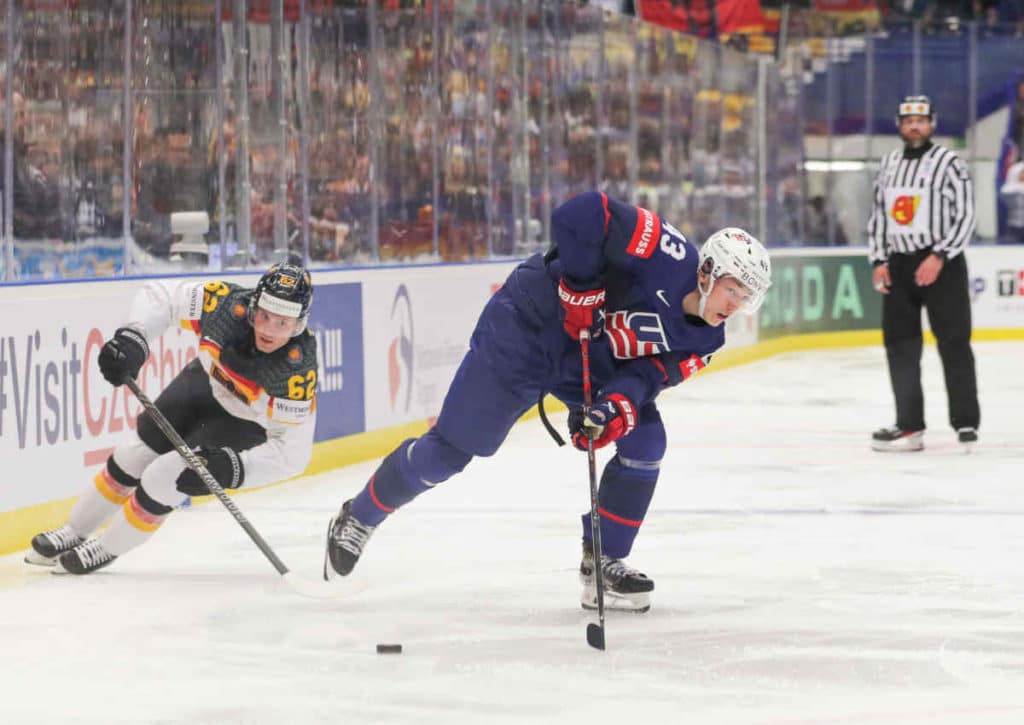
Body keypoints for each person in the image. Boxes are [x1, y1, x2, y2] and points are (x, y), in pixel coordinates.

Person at [324, 191, 772, 613]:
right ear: (708, 270)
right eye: (733, 289)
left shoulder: (707, 339)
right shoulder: (665, 251)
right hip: (526, 328)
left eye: (747, 297)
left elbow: (647, 376)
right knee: (451, 450)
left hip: (585, 366)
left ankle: (604, 561)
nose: (736, 304)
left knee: (646, 440)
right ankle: (358, 518)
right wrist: (581, 285)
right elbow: (581, 214)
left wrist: (611, 408)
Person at [25, 263, 318, 574]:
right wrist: (133, 337)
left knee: (165, 477)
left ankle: (106, 547)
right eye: (264, 315)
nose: (268, 329)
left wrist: (236, 469)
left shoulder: (296, 372)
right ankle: (75, 530)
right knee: (133, 454)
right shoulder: (224, 306)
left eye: (282, 322)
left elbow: (292, 455)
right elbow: (162, 296)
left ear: (299, 323)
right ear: (253, 303)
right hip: (205, 383)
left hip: (247, 421)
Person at [867, 95, 979, 452]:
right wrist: (879, 261)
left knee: (954, 343)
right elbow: (880, 217)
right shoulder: (888, 164)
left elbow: (965, 215)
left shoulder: (949, 163)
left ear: (932, 123)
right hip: (899, 265)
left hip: (941, 264)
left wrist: (940, 254)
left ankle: (965, 423)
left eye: (921, 120)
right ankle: (909, 425)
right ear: (900, 125)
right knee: (900, 346)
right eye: (908, 120)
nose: (914, 126)